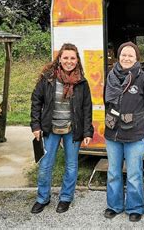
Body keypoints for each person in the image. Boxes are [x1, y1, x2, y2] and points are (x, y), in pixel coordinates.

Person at [30, 43, 93, 214]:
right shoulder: (48, 78)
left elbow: (87, 107)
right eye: (66, 57)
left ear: (77, 60)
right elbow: (36, 101)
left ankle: (65, 198)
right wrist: (35, 125)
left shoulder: (81, 82)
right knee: (45, 166)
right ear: (60, 58)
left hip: (72, 130)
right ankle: (43, 198)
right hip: (50, 129)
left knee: (71, 166)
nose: (69, 61)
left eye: (72, 58)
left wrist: (88, 131)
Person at [103, 41, 144, 222]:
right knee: (113, 173)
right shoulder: (110, 76)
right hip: (112, 134)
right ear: (119, 57)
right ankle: (114, 206)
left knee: (134, 173)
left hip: (134, 135)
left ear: (136, 59)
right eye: (123, 55)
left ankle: (135, 207)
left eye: (130, 55)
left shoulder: (143, 80)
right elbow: (106, 103)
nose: (126, 58)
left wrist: (135, 119)